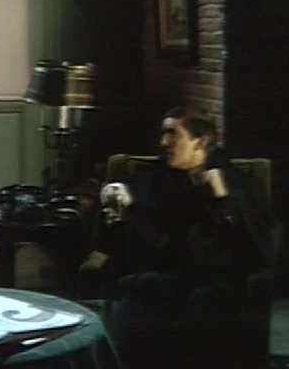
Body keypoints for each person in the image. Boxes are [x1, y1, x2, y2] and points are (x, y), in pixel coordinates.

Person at [84, 106, 278, 368]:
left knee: (208, 304)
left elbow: (255, 243)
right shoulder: (156, 178)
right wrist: (116, 195)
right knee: (140, 291)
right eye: (163, 133)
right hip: (159, 275)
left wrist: (222, 199)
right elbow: (133, 216)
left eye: (173, 134)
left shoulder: (235, 183)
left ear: (201, 141)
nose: (164, 142)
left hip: (214, 282)